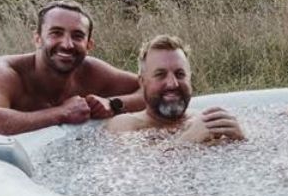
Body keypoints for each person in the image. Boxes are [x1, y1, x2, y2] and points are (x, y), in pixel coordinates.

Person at [0, 0, 144, 182]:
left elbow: (151, 89)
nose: (67, 44)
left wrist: (114, 104)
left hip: (23, 175)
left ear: (89, 45)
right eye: (56, 33)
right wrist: (61, 113)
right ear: (38, 38)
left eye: (77, 36)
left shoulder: (93, 71)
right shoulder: (1, 73)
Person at [105, 35, 245, 142]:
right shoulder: (126, 125)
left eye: (180, 74)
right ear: (142, 82)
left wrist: (240, 140)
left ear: (189, 78)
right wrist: (188, 141)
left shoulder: (204, 121)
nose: (173, 84)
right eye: (160, 75)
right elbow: (135, 169)